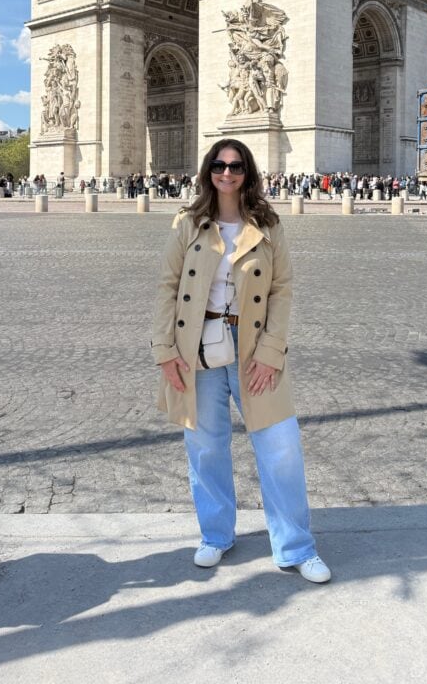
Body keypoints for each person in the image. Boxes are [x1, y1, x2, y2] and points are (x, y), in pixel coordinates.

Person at [151, 138, 331, 584]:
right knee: (206, 447)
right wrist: (165, 351)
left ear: (248, 173)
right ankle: (215, 535)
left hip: (252, 347)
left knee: (281, 447)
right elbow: (167, 288)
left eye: (235, 166)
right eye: (218, 165)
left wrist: (272, 352)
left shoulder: (268, 224)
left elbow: (282, 291)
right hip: (198, 346)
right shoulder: (189, 222)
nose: (226, 173)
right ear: (207, 171)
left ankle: (296, 546)